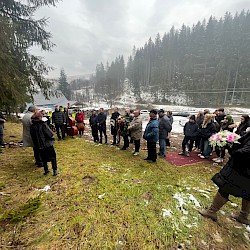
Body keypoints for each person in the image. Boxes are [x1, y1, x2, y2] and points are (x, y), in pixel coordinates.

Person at [199, 129, 250, 224]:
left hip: (241, 170)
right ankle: (243, 216)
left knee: (225, 187)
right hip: (245, 170)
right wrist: (229, 141)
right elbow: (242, 141)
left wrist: (232, 150)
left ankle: (212, 211)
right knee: (248, 193)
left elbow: (245, 152)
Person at [30, 112, 59, 176]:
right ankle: (55, 170)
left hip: (39, 145)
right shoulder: (43, 125)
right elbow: (50, 134)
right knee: (53, 157)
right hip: (47, 144)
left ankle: (46, 170)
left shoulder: (32, 126)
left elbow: (32, 136)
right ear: (39, 117)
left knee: (44, 158)